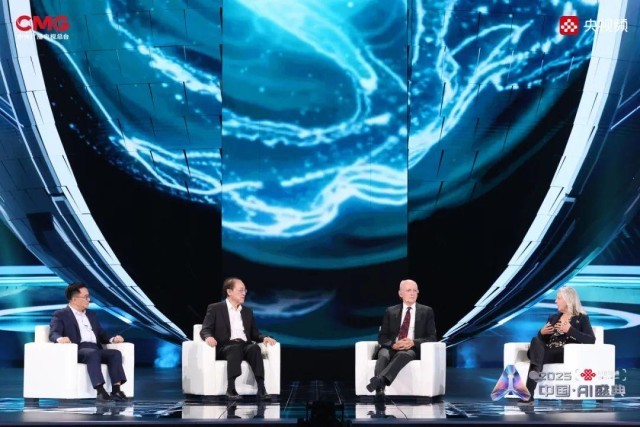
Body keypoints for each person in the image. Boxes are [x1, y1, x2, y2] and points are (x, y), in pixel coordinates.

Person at [49, 282, 128, 402]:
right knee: (92, 353)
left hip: (95, 348)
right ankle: (100, 391)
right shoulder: (61, 315)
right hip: (78, 349)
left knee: (115, 353)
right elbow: (53, 333)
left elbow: (101, 334)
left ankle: (116, 390)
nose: (89, 300)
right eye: (86, 297)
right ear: (74, 299)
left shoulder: (91, 314)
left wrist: (113, 339)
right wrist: (60, 339)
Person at [200, 277, 277, 400]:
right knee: (234, 349)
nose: (244, 293)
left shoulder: (247, 311)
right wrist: (208, 337)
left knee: (255, 348)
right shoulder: (215, 308)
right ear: (229, 292)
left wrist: (264, 338)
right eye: (240, 290)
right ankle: (230, 388)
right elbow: (205, 329)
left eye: (245, 290)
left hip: (244, 345)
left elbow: (254, 333)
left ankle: (261, 388)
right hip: (226, 346)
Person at [519, 286, 595, 404]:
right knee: (536, 340)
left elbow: (591, 340)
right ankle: (533, 382)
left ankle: (529, 393)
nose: (555, 301)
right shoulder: (553, 317)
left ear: (568, 300)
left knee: (536, 357)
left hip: (564, 353)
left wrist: (570, 330)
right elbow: (544, 341)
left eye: (559, 298)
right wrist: (542, 333)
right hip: (547, 351)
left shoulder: (582, 318)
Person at [366, 279, 437, 398]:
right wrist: (393, 344)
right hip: (391, 346)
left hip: (411, 348)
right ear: (400, 293)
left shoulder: (427, 311)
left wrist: (413, 342)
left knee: (402, 355)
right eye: (408, 290)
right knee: (383, 356)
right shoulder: (390, 311)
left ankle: (379, 381)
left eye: (415, 291)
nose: (412, 293)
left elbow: (432, 337)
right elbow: (382, 337)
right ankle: (380, 390)